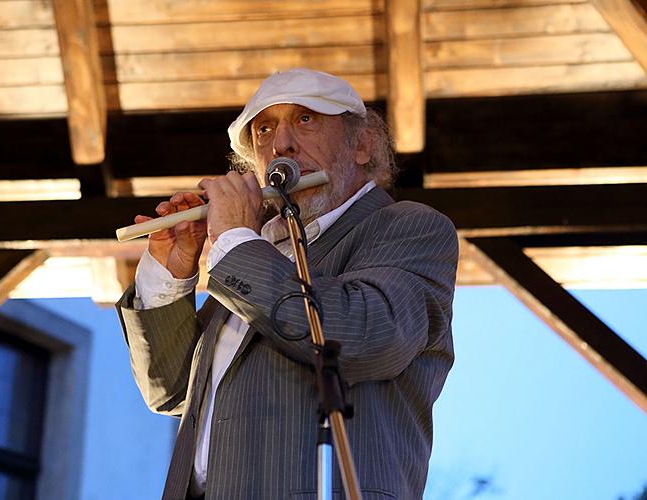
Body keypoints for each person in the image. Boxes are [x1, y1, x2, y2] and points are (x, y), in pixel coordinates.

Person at [116, 68, 458, 499]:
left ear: (362, 144)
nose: (281, 144)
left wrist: (236, 242)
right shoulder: (253, 254)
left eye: (305, 119)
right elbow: (171, 392)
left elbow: (364, 336)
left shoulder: (405, 227)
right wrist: (171, 272)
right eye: (264, 129)